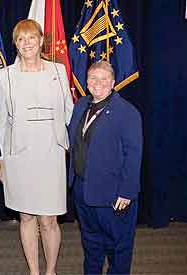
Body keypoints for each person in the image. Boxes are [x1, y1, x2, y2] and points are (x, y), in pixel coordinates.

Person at [0, 19, 74, 275]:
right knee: (27, 217)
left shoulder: (59, 71)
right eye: (21, 39)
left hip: (51, 153)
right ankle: (34, 271)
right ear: (15, 44)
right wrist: (2, 161)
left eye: (32, 38)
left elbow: (69, 111)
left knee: (49, 219)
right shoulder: (4, 75)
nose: (27, 43)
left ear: (41, 41)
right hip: (19, 156)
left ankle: (50, 270)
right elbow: (2, 122)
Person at [68, 60, 142, 275]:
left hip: (113, 195)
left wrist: (126, 192)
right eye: (93, 78)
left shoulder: (127, 112)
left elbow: (134, 155)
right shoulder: (81, 105)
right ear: (86, 81)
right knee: (91, 244)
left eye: (103, 78)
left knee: (118, 247)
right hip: (82, 190)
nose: (97, 83)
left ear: (113, 82)